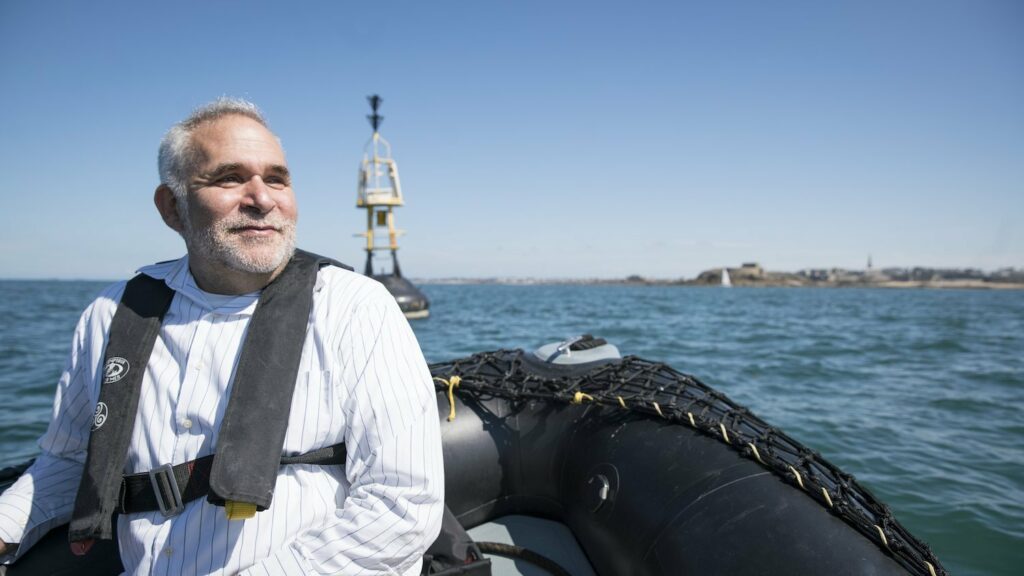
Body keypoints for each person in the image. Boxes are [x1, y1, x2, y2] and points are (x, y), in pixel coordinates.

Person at [0, 98, 445, 575]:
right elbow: (69, 463)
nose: (262, 198)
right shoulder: (110, 316)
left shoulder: (356, 309)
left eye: (277, 178)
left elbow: (404, 506)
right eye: (230, 178)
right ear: (172, 207)